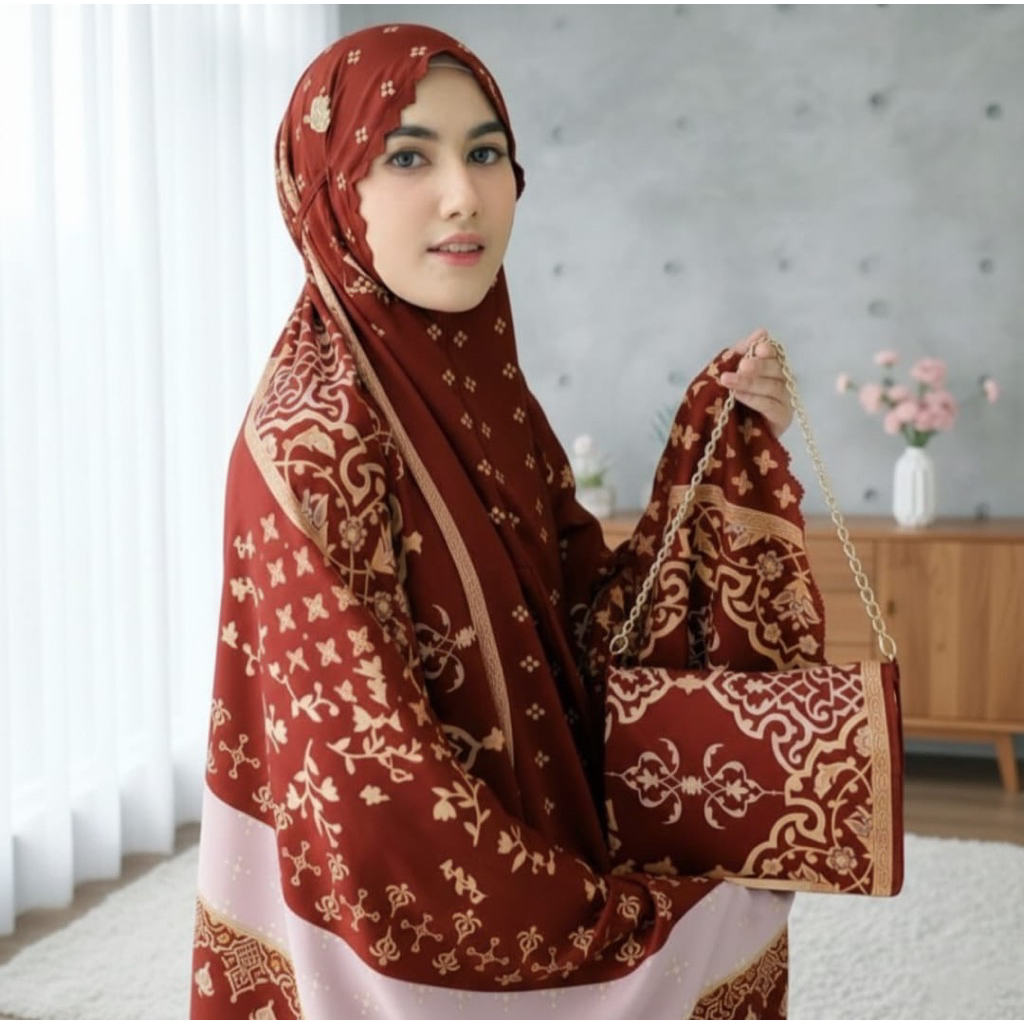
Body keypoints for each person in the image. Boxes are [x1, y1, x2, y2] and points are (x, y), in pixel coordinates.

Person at [191, 24, 899, 1020]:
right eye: (408, 157)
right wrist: (626, 920)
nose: (463, 195)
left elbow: (582, 628)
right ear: (327, 189)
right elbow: (376, 800)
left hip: (545, 820)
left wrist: (713, 451)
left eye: (485, 153)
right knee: (703, 926)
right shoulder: (314, 442)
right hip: (422, 908)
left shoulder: (485, 396)